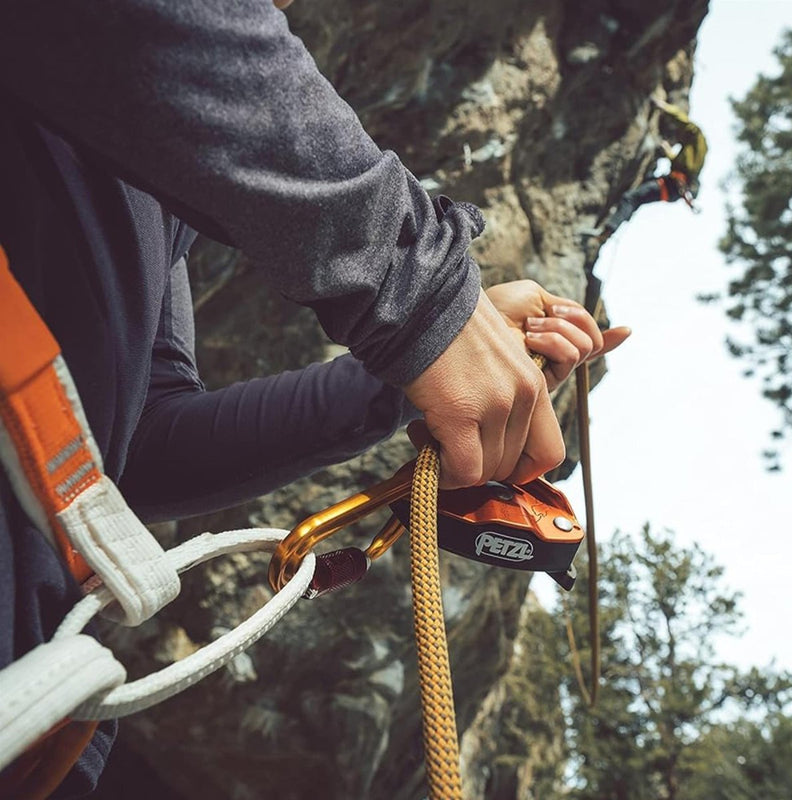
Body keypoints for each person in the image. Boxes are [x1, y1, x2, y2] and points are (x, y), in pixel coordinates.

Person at [0, 1, 629, 796]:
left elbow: (143, 445)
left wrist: (397, 381)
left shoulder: (155, 196)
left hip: (36, 699)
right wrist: (424, 301)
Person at [593, 95, 708, 244]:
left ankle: (608, 231)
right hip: (672, 186)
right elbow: (683, 165)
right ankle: (617, 221)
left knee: (632, 198)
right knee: (642, 185)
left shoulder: (696, 137)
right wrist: (668, 153)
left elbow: (684, 123)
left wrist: (664, 107)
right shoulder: (695, 150)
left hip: (672, 186)